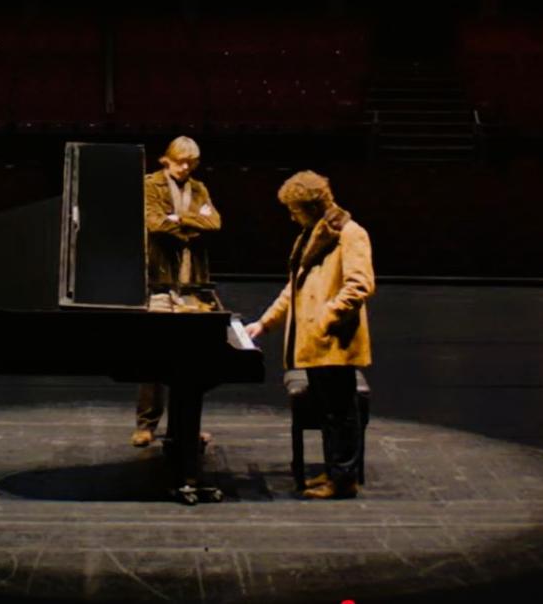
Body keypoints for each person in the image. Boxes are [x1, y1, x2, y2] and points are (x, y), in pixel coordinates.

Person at [245, 170, 375, 499]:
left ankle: (343, 479)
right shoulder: (313, 234)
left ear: (312, 207)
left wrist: (327, 316)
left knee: (340, 411)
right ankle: (335, 472)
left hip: (334, 339)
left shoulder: (350, 234)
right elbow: (295, 288)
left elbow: (360, 284)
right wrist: (265, 322)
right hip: (317, 341)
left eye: (294, 210)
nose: (291, 217)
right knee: (329, 410)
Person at [131, 136, 222, 447]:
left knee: (190, 357)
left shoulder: (199, 189)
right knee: (153, 355)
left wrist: (180, 219)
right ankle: (146, 424)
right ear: (167, 159)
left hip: (191, 276)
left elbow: (215, 223)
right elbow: (155, 224)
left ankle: (185, 425)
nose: (185, 168)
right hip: (159, 276)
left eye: (191, 163)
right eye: (180, 161)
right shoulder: (150, 185)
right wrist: (192, 226)